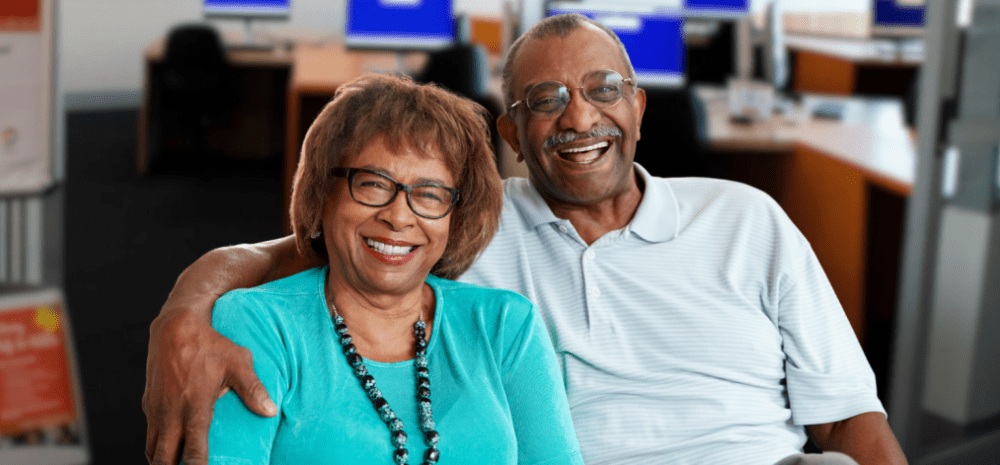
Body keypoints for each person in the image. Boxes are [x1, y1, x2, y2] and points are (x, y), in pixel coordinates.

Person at [144, 14, 907, 465]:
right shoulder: (465, 224)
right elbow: (315, 244)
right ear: (510, 133)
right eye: (546, 100)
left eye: (603, 89)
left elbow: (846, 417)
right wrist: (188, 304)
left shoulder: (747, 219)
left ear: (637, 107)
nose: (579, 118)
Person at [161, 73, 583, 465]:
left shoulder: (506, 325)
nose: (399, 216)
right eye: (373, 184)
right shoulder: (256, 323)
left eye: (431, 194)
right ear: (323, 191)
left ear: (456, 213)